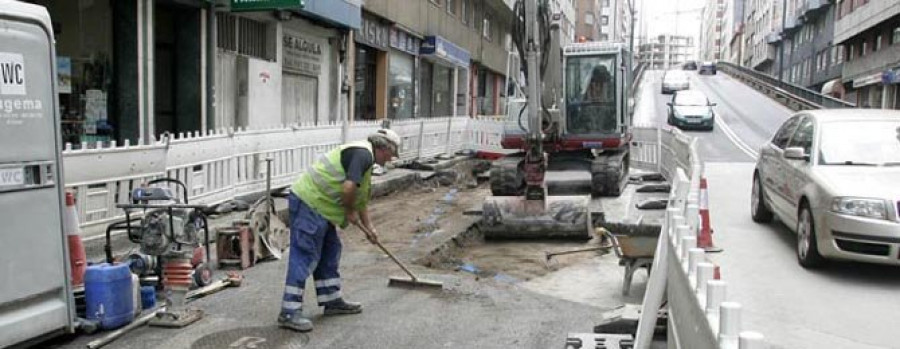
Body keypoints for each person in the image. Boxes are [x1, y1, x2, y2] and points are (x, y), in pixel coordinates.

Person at [277, 129, 402, 332]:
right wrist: (349, 210)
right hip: (309, 203)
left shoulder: (366, 162)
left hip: (321, 208)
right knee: (305, 255)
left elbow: (360, 198)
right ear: (383, 148)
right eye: (391, 154)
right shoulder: (363, 155)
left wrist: (369, 227)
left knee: (330, 251)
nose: (391, 159)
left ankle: (331, 300)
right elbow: (348, 188)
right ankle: (289, 312)